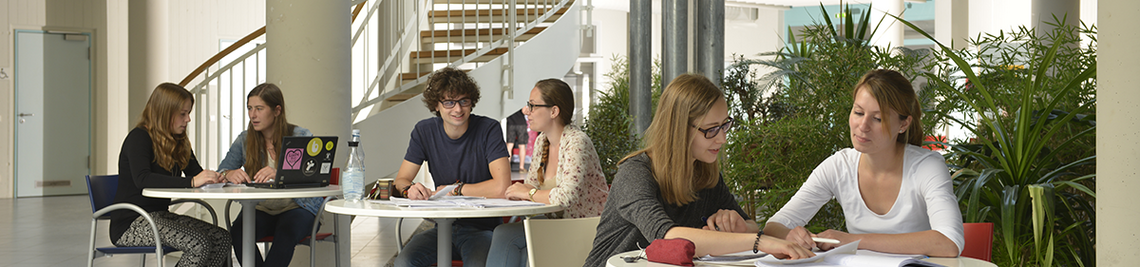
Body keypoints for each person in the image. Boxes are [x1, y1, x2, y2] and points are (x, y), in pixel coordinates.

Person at [584, 74, 814, 266]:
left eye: (725, 125)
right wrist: (759, 242)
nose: (722, 139)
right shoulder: (634, 173)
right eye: (712, 129)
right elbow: (667, 236)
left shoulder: (705, 175)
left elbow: (750, 225)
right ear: (679, 130)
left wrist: (739, 226)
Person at [762, 69, 964, 257]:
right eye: (858, 113)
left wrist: (852, 240)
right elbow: (774, 227)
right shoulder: (839, 166)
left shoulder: (927, 167)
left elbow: (949, 242)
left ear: (904, 124)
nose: (863, 126)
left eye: (877, 119)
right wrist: (790, 236)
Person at [392, 67, 512, 267]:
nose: (458, 109)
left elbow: (502, 187)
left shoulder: (488, 129)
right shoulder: (424, 131)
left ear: (471, 102)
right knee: (404, 262)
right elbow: (401, 181)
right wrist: (410, 189)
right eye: (449, 102)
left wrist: (455, 190)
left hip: (481, 228)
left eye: (464, 101)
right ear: (436, 105)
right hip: (442, 227)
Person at [486, 79, 610, 267]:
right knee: (505, 234)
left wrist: (527, 193)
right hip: (557, 224)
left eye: (533, 106)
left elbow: (565, 197)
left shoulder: (576, 142)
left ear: (554, 111)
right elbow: (532, 184)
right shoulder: (542, 140)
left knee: (509, 238)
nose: (526, 111)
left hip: (586, 229)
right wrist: (520, 191)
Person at [111, 82, 231, 267]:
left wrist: (220, 177)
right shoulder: (139, 137)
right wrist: (192, 182)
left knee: (222, 238)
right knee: (200, 244)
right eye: (183, 114)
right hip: (131, 222)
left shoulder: (179, 141)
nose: (188, 119)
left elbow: (196, 174)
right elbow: (143, 179)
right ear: (164, 112)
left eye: (188, 113)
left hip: (160, 216)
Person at [216, 83, 323, 267]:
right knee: (239, 232)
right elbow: (221, 171)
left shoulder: (300, 136)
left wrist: (280, 173)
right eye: (250, 108)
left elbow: (314, 177)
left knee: (286, 231)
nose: (252, 115)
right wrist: (229, 173)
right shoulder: (245, 139)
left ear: (277, 110)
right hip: (260, 209)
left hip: (297, 208)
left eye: (259, 108)